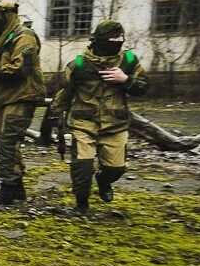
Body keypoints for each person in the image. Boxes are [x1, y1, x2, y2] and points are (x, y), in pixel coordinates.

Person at [52, 20, 149, 215]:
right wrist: (56, 119)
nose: (118, 42)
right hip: (83, 123)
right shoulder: (79, 64)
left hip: (115, 124)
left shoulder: (128, 60)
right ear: (99, 41)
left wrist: (126, 80)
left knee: (117, 168)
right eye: (113, 39)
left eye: (121, 39)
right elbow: (64, 93)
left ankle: (104, 180)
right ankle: (81, 205)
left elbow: (143, 86)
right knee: (82, 165)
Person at [0, 1, 45, 204]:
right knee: (5, 142)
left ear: (7, 15)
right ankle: (15, 187)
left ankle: (9, 188)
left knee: (8, 142)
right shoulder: (4, 37)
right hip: (9, 97)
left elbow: (20, 69)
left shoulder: (24, 36)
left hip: (22, 96)